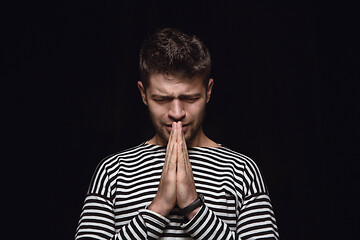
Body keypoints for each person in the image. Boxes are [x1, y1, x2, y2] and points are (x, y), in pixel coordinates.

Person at [75, 28, 279, 240]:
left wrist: (193, 207)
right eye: (161, 99)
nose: (177, 113)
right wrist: (159, 206)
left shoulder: (242, 171)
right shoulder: (112, 172)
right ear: (143, 93)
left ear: (208, 91)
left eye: (190, 98)